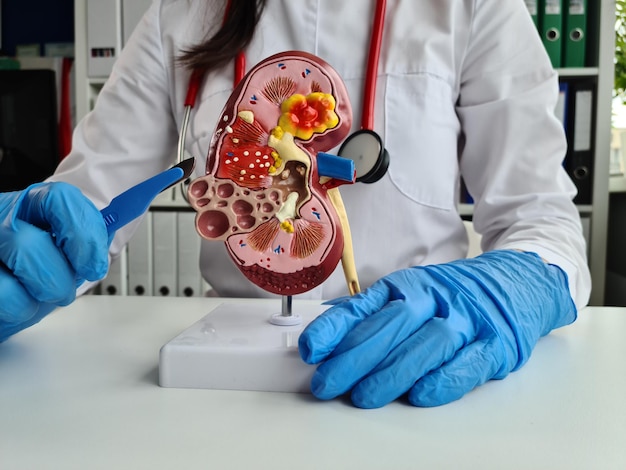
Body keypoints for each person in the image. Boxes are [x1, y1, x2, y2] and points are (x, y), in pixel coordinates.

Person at [0, 0, 589, 409]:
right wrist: (34, 248)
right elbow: (88, 207)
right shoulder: (181, 14)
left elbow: (540, 215)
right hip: (225, 390)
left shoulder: (473, 8)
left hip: (418, 352)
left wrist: (515, 283)